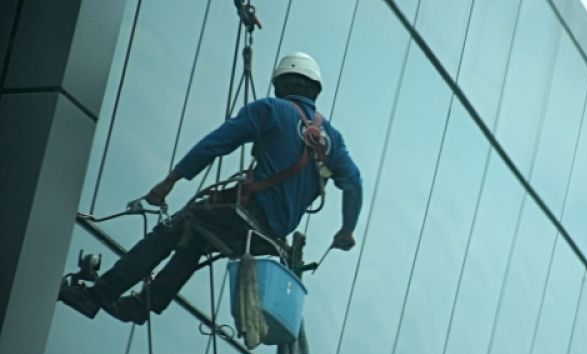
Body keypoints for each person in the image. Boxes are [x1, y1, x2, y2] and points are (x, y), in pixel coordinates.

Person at [59, 52, 363, 324]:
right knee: (195, 238)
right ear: (315, 89)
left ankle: (95, 296)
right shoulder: (331, 140)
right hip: (267, 237)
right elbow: (354, 182)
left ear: (280, 85)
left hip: (245, 214)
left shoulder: (272, 109)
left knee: (172, 231)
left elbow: (217, 143)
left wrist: (171, 181)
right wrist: (347, 229)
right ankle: (143, 305)